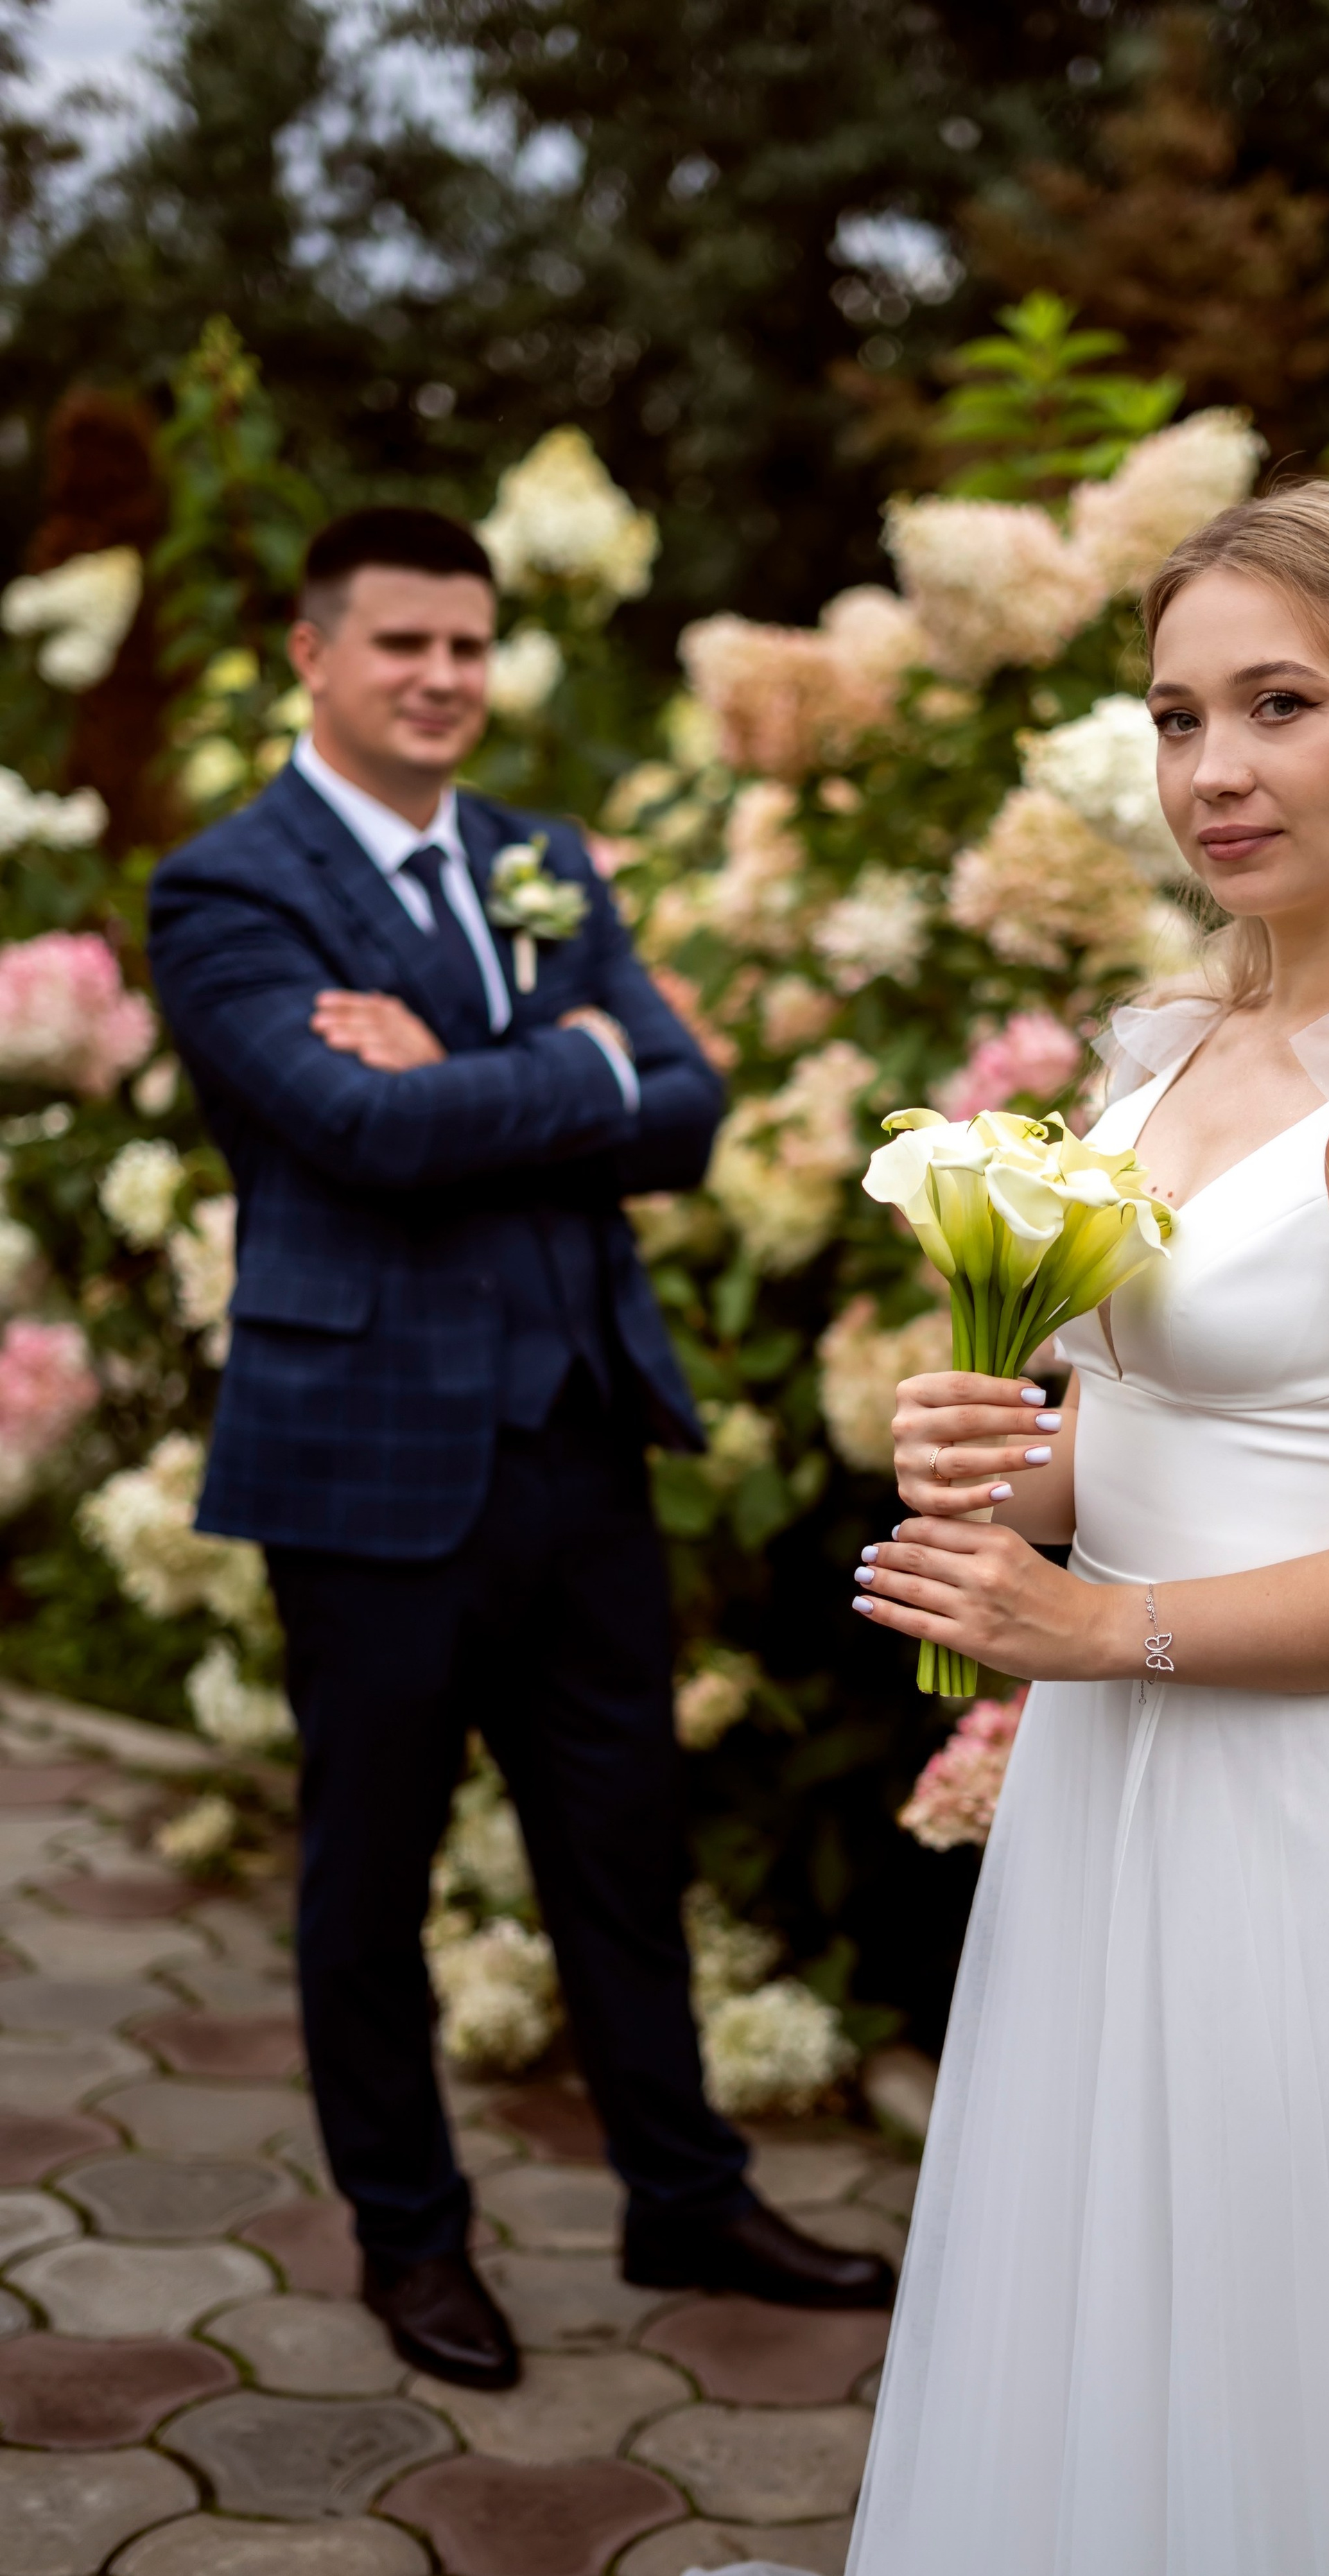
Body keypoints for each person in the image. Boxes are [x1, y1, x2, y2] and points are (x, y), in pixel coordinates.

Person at [660, 485, 1329, 2576]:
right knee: (1105, 2326)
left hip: (1320, 1830)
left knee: (1287, 2355)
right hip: (1119, 1817)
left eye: (1277, 706)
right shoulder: (1171, 1055)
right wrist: (1015, 1463)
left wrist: (1097, 1627)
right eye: (1172, 717)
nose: (1212, 770)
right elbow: (1181, 1435)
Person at [147, 505, 893, 2394]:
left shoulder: (543, 856)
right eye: (401, 643)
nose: (442, 677)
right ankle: (412, 2244)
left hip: (579, 1436)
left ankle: (683, 2194)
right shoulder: (227, 890)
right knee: (370, 1879)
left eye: (468, 645)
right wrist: (578, 1071)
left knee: (622, 1851)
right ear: (316, 654)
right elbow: (352, 1129)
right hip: (367, 1454)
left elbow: (692, 1105)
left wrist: (518, 1076)